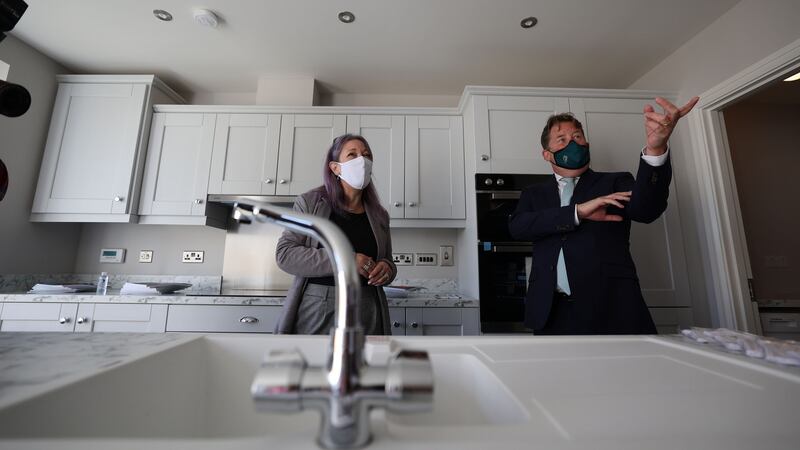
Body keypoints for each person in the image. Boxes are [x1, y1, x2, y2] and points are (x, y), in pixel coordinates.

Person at [508, 96, 699, 335]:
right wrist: (578, 212)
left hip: (613, 307)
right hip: (550, 312)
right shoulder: (533, 194)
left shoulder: (615, 181)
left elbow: (646, 211)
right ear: (547, 154)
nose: (573, 143)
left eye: (577, 136)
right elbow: (518, 227)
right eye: (562, 139)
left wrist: (656, 149)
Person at [274, 134, 396, 335]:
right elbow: (285, 255)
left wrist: (387, 269)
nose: (362, 161)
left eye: (366, 155)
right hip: (320, 304)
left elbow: (388, 262)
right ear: (335, 167)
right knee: (316, 363)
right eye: (352, 155)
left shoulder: (380, 215)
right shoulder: (310, 203)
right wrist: (346, 259)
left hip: (368, 305)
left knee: (367, 364)